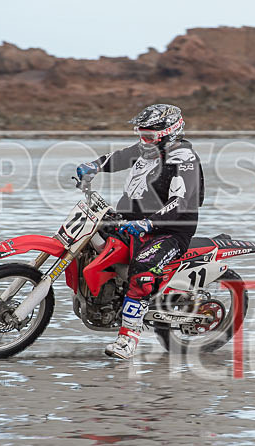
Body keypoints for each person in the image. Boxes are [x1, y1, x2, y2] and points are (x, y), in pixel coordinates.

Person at [76, 104, 204, 359]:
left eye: (148, 135)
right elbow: (120, 157)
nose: (143, 140)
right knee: (89, 238)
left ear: (168, 133)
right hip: (132, 220)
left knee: (142, 269)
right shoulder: (149, 149)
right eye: (140, 134)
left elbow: (180, 203)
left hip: (169, 230)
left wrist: (149, 223)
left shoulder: (184, 160)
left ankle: (128, 339)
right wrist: (94, 165)